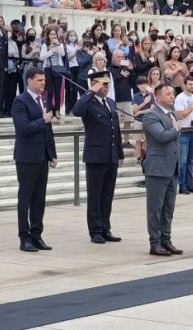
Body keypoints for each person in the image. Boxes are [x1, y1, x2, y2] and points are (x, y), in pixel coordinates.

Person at [72, 71, 125, 244]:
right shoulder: (88, 102)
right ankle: (95, 230)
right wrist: (91, 91)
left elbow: (115, 129)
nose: (106, 88)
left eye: (107, 84)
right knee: (95, 195)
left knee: (107, 195)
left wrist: (120, 152)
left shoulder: (110, 102)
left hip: (111, 155)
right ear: (94, 84)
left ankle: (105, 228)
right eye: (102, 84)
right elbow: (77, 110)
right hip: (96, 156)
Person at [11, 68, 57, 252]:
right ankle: (25, 237)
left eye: (44, 80)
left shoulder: (43, 100)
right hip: (27, 157)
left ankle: (37, 234)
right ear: (29, 81)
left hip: (42, 157)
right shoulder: (20, 101)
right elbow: (22, 128)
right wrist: (43, 121)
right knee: (26, 198)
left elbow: (48, 129)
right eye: (39, 80)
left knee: (39, 199)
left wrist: (52, 153)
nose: (43, 83)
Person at [142, 84, 183, 256]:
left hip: (171, 167)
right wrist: (175, 128)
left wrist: (175, 128)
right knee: (155, 208)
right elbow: (161, 136)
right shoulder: (151, 116)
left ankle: (166, 239)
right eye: (168, 94)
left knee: (168, 208)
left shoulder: (171, 113)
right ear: (158, 97)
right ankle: (155, 242)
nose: (172, 96)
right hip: (158, 168)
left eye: (172, 93)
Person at [174, 77, 193, 194]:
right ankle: (182, 184)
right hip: (184, 130)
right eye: (189, 84)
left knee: (191, 159)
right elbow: (180, 115)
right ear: (184, 85)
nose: (191, 86)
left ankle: (190, 184)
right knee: (183, 160)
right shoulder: (180, 98)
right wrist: (191, 108)